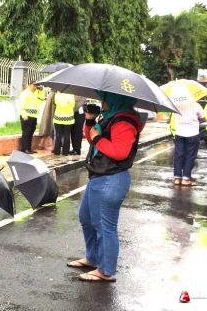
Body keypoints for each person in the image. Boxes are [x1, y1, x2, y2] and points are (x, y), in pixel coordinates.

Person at [67, 91, 144, 282]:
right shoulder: (110, 117)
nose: (103, 101)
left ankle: (105, 270)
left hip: (111, 179)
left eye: (106, 98)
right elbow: (91, 139)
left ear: (116, 99)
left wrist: (98, 139)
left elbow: (120, 151)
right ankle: (93, 258)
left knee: (104, 226)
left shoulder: (124, 121)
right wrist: (90, 121)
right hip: (98, 176)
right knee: (86, 218)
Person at [169, 87, 205, 186]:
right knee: (190, 156)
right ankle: (186, 178)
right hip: (192, 133)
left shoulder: (175, 105)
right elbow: (203, 117)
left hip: (179, 133)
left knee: (178, 155)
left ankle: (177, 178)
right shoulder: (196, 105)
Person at [18, 82, 45, 154]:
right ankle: (24, 149)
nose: (35, 87)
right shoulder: (24, 93)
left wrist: (41, 91)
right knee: (26, 132)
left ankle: (28, 148)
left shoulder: (36, 93)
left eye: (36, 86)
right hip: (26, 116)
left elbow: (41, 100)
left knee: (31, 132)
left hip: (34, 116)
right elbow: (21, 104)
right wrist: (23, 114)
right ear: (29, 85)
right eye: (34, 85)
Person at [53, 91, 75, 155]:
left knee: (58, 135)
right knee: (67, 135)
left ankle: (57, 151)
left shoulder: (57, 95)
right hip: (68, 118)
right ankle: (65, 152)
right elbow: (73, 106)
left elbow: (56, 103)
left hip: (58, 117)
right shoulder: (71, 95)